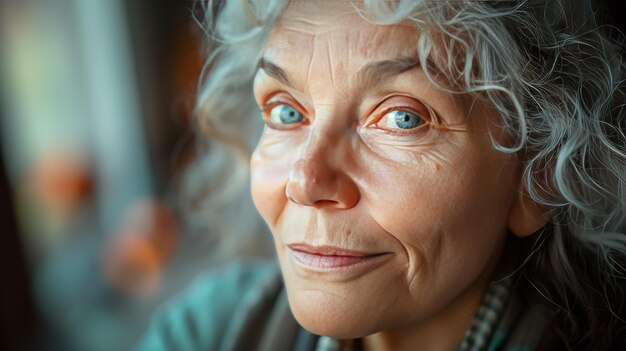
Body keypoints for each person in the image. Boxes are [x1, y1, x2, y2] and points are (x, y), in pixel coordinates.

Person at [137, 0, 626, 350]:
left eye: (403, 118)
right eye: (287, 112)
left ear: (536, 176)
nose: (305, 181)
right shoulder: (209, 329)